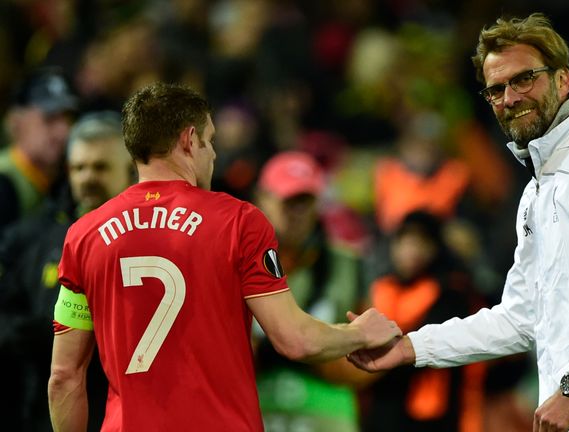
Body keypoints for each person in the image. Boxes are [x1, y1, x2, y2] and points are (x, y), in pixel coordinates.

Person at [348, 13, 569, 431]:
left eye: (524, 79)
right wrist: (410, 347)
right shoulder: (539, 188)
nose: (510, 98)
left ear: (563, 80)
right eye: (496, 89)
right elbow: (519, 318)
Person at [47, 82, 401, 432]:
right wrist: (359, 333)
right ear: (188, 140)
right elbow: (296, 340)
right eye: (209, 141)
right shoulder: (238, 222)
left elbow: (64, 377)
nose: (213, 154)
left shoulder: (84, 236)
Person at [0, 111, 129, 431]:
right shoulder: (29, 238)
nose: (87, 177)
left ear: (130, 170)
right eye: (78, 167)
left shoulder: (150, 240)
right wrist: (38, 334)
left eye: (100, 167)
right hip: (39, 413)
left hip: (121, 415)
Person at [252, 150, 370, 432]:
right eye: (288, 201)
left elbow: (371, 341)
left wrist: (332, 363)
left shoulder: (348, 263)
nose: (297, 213)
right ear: (262, 199)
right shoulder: (235, 264)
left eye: (305, 201)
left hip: (325, 415)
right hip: (255, 410)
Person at [362, 210, 487, 432]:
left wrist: (368, 363)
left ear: (436, 249)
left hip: (430, 415)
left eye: (422, 243)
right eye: (405, 241)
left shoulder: (449, 293)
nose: (412, 251)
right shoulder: (380, 287)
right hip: (381, 408)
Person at [0, 67, 78, 232]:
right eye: (50, 118)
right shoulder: (4, 182)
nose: (63, 131)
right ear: (16, 122)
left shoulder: (62, 178)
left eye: (67, 118)